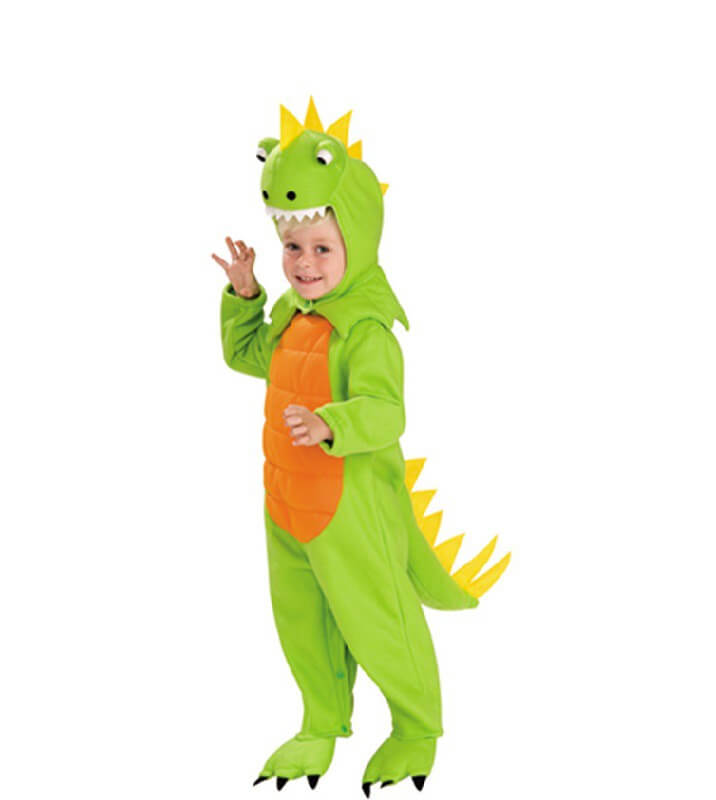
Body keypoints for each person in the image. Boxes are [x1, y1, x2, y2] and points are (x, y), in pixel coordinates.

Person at [212, 99, 502, 794]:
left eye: (321, 249)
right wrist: (246, 296)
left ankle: (416, 729)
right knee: (303, 623)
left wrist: (331, 424)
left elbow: (386, 411)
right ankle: (321, 722)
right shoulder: (292, 313)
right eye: (293, 248)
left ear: (357, 241)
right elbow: (250, 358)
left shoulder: (366, 327)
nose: (304, 264)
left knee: (377, 619)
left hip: (350, 507)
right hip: (287, 505)